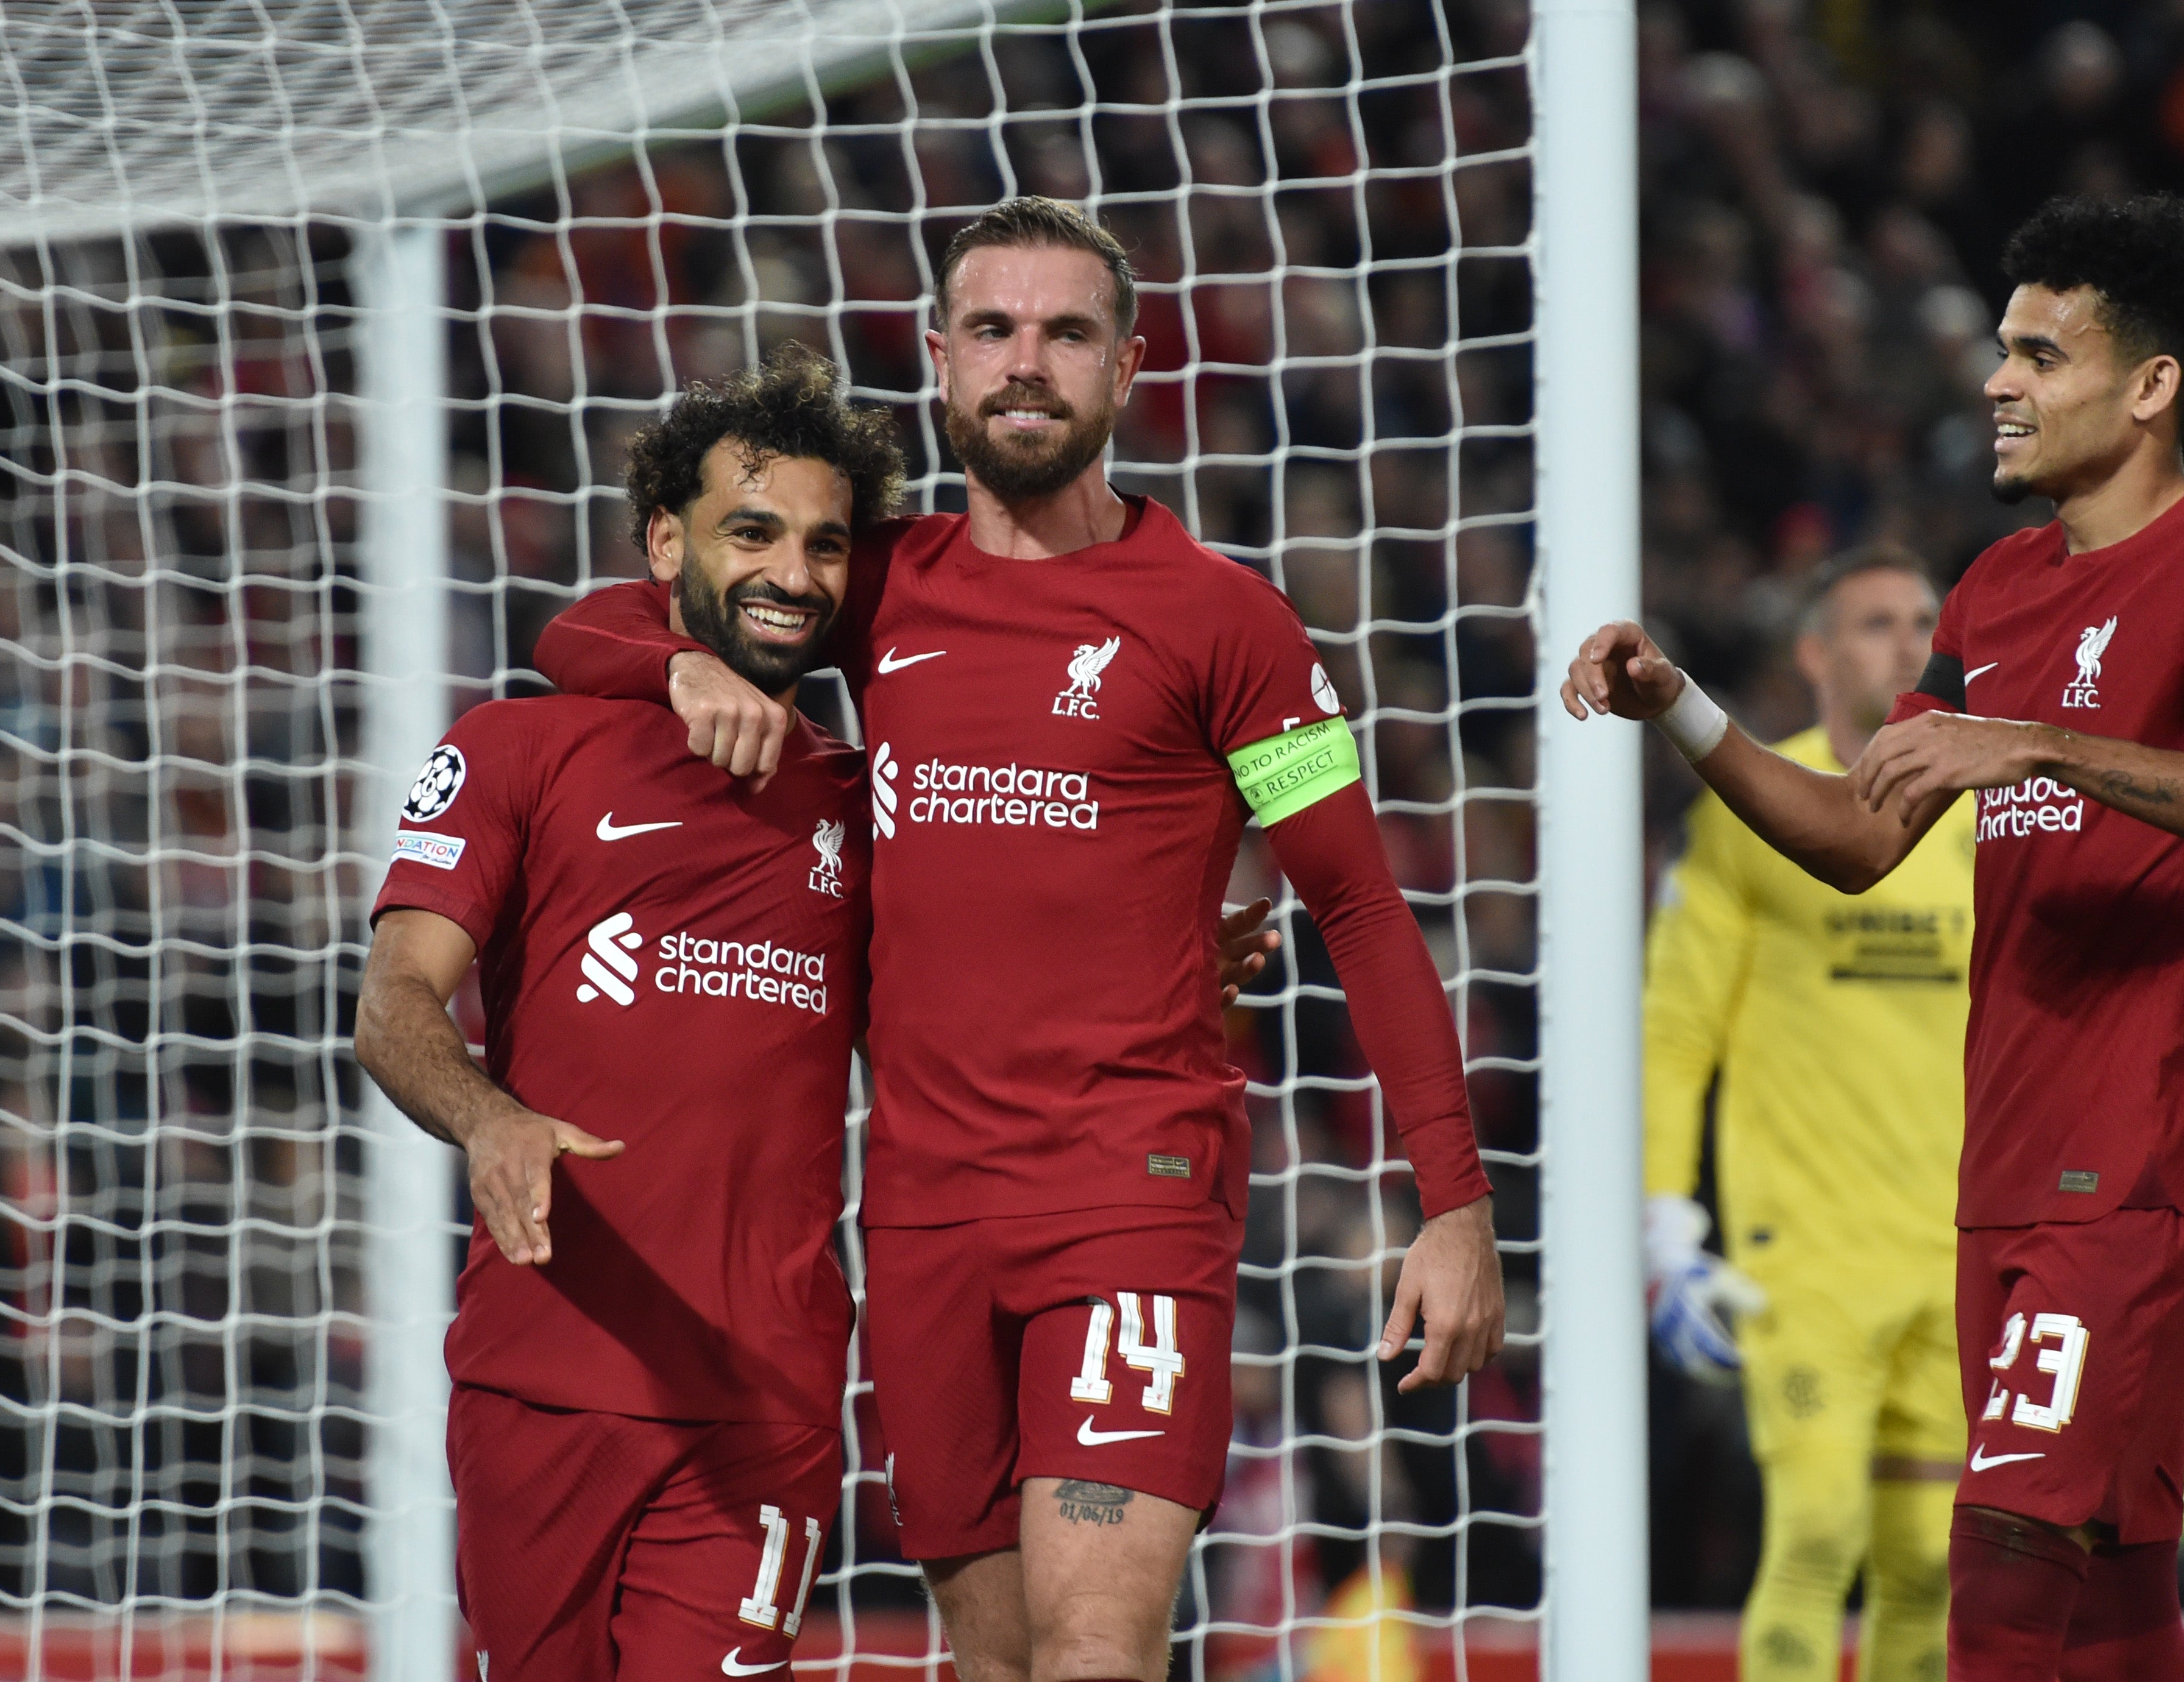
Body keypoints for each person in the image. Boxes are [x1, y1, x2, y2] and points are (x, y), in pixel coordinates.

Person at [533, 197, 1506, 1682]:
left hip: (1131, 1197)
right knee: (992, 1663)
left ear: (1130, 368)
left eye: (1066, 333)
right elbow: (577, 630)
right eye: (993, 330)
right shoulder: (885, 585)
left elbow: (1362, 907)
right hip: (923, 1221)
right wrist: (677, 670)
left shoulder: (1231, 628)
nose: (1026, 363)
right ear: (938, 361)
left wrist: (1452, 1204)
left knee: (1097, 1645)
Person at [1565, 193, 2184, 1682]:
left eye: (2041, 355)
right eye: (2001, 349)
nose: (1999, 380)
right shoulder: (1998, 591)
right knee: (2118, 1605)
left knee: (1993, 1559)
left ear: (2149, 386)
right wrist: (1684, 706)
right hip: (2005, 1168)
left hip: (2145, 1154)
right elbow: (1862, 836)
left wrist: (2043, 748)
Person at [353, 350, 898, 1678]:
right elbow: (392, 1002)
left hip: (761, 1399)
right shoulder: (516, 747)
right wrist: (489, 1120)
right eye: (752, 530)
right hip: (544, 1374)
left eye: (826, 544)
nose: (793, 572)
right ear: (665, 539)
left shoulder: (861, 804)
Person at [1643, 546, 1970, 1682]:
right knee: (1817, 1528)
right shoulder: (1752, 808)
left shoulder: (1977, 819)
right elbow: (1679, 1028)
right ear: (1814, 654)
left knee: (1929, 1563)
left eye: (1923, 618)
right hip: (1807, 1256)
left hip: (1950, 1251)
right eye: (1876, 622)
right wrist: (1663, 1219)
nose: (1908, 641)